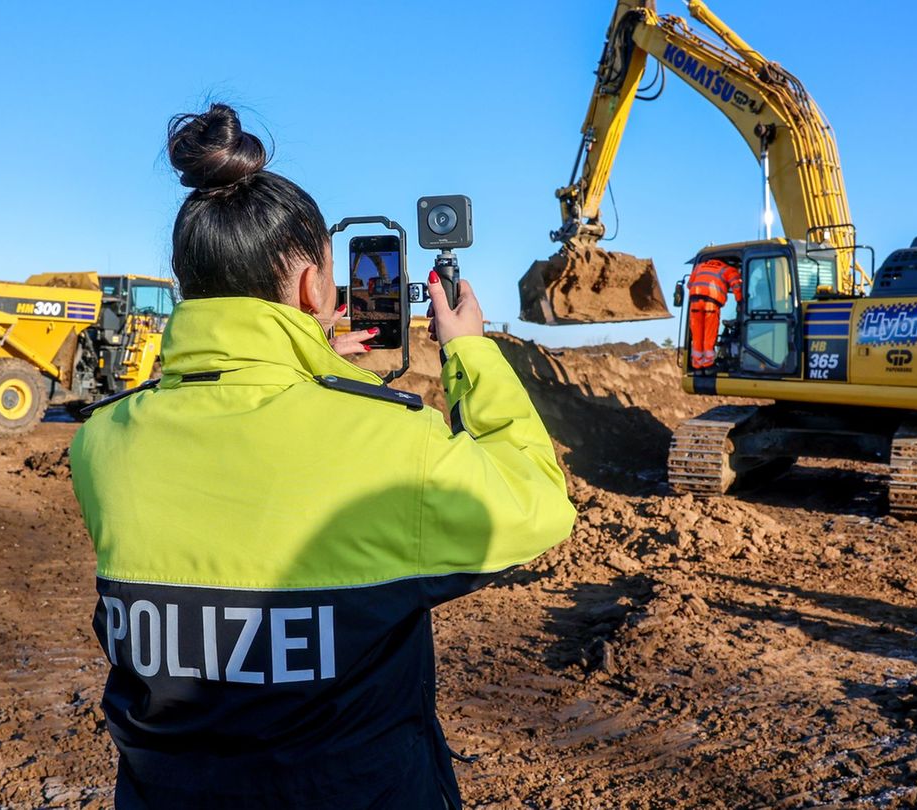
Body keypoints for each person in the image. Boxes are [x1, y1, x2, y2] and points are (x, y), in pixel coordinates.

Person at [69, 104, 576, 809]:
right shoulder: (391, 440)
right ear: (314, 287)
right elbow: (537, 502)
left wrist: (308, 370)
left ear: (188, 282)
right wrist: (469, 350)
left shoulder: (101, 441)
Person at [686, 257, 742, 370]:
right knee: (709, 333)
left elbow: (689, 285)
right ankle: (708, 364)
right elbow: (737, 286)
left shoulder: (699, 266)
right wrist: (740, 301)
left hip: (695, 303)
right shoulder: (728, 269)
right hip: (710, 304)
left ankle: (697, 364)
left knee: (697, 335)